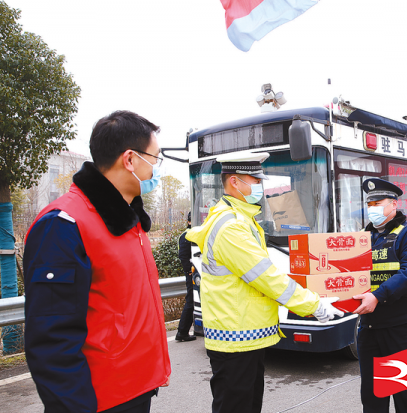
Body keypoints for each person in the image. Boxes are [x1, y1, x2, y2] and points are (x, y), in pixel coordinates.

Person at [23, 111, 171, 413]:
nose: (156, 168)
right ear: (130, 160)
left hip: (136, 389)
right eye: (155, 158)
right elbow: (52, 342)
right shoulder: (63, 224)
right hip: (101, 400)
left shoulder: (129, 220)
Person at [185, 151, 343, 413]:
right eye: (254, 180)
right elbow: (267, 278)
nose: (259, 186)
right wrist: (313, 305)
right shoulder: (232, 227)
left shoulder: (241, 218)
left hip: (242, 333)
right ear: (234, 182)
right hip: (235, 337)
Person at [352, 178, 407, 413]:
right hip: (370, 327)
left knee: (404, 394)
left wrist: (377, 296)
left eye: (378, 203)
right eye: (370, 204)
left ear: (394, 205)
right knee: (373, 397)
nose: (373, 208)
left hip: (399, 327)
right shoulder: (361, 239)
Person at [176, 211, 197, 341]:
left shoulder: (195, 233)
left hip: (196, 272)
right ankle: (182, 332)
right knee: (191, 301)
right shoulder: (186, 235)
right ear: (189, 221)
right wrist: (189, 271)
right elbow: (183, 256)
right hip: (191, 273)